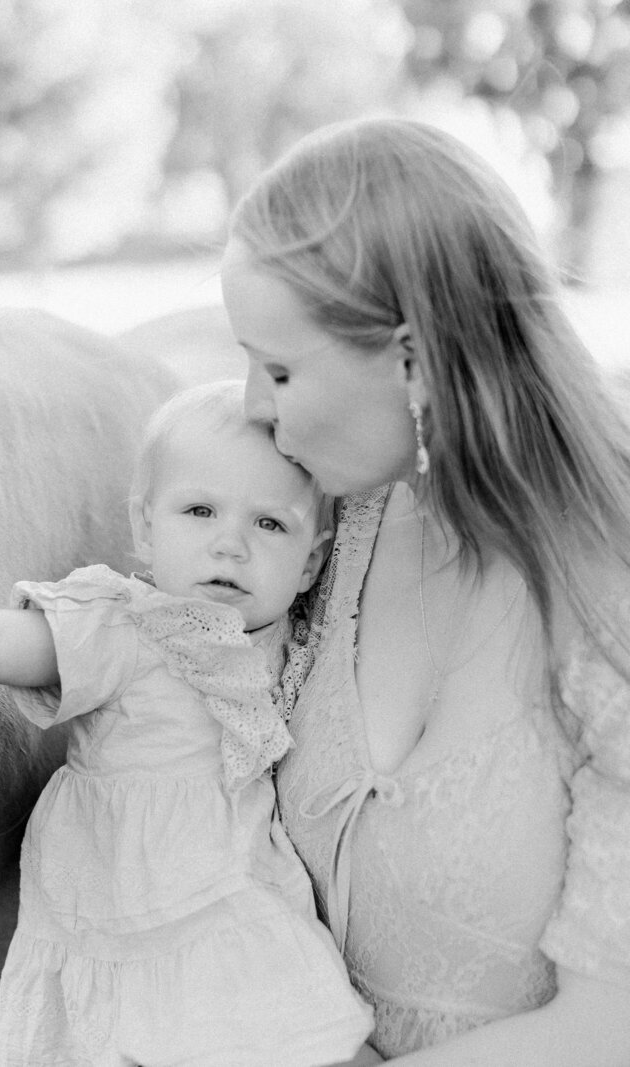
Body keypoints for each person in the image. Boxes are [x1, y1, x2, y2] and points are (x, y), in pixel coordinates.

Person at [220, 117, 630, 1065]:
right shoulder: (327, 529)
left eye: (279, 368)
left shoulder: (607, 596)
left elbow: (610, 1030)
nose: (250, 405)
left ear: (412, 360)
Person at [0, 380, 376, 1067]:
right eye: (200, 510)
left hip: (231, 902)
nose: (230, 545)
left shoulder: (290, 637)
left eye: (270, 523)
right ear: (146, 528)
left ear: (313, 563)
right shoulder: (123, 624)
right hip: (122, 907)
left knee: (315, 1040)